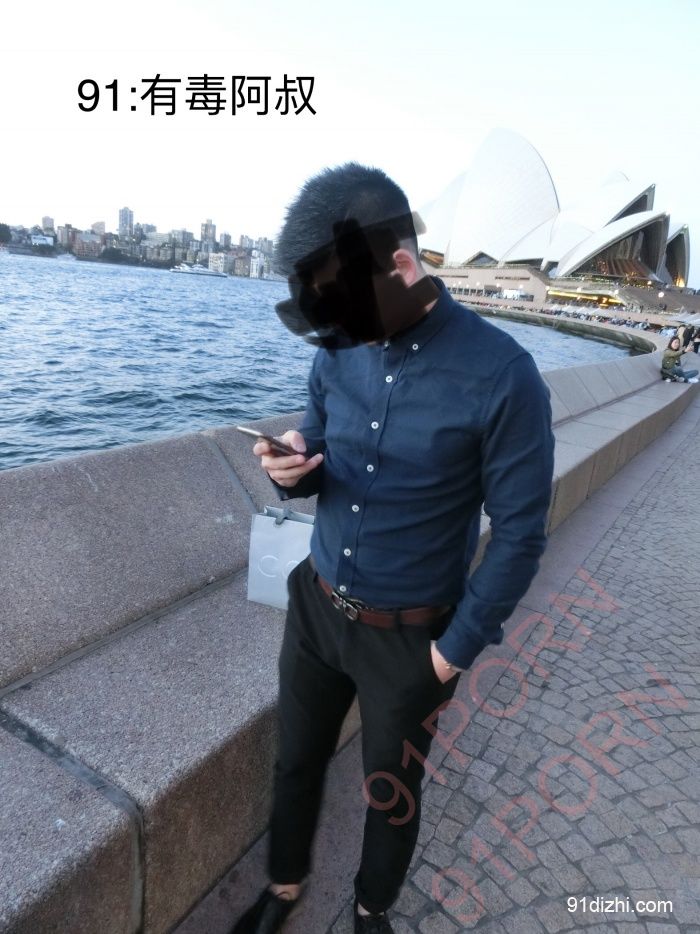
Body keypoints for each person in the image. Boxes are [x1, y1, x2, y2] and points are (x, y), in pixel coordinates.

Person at [230, 164, 555, 934]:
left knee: (392, 793)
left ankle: (371, 910)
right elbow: (319, 447)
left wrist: (448, 657)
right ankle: (284, 889)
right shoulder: (336, 351)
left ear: (401, 266)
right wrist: (292, 466)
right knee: (295, 760)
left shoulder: (505, 377)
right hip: (316, 608)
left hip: (411, 638)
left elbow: (520, 534)